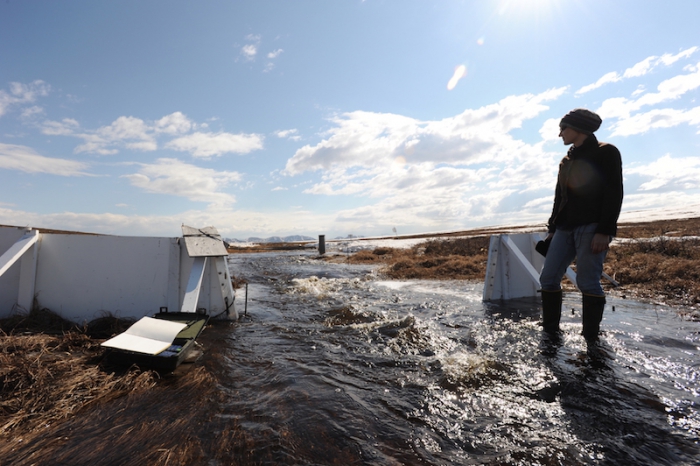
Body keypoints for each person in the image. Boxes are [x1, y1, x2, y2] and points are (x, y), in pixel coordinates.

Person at [539, 108, 623, 342]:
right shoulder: (566, 160)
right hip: (564, 229)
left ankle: (591, 339)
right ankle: (551, 334)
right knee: (548, 278)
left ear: (579, 129)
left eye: (563, 128)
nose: (560, 134)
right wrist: (552, 229)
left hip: (592, 227)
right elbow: (559, 198)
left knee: (587, 282)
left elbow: (614, 192)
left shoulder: (607, 152)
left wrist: (605, 231)